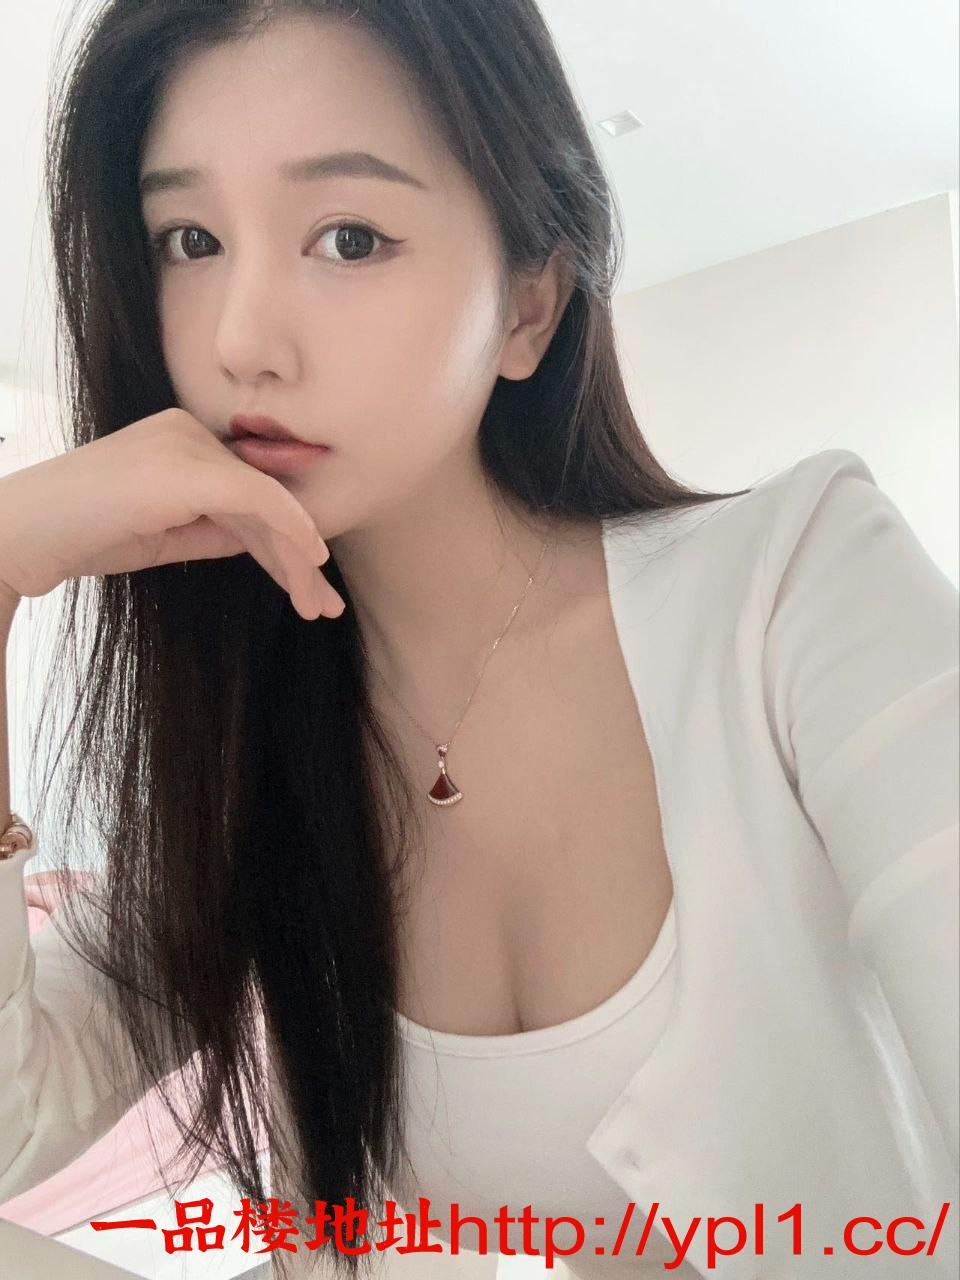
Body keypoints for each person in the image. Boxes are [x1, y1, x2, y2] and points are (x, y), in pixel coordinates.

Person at [0, 2, 957, 1278]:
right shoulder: (243, 756)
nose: (238, 341)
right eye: (192, 239)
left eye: (348, 236)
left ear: (529, 305)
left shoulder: (795, 586)